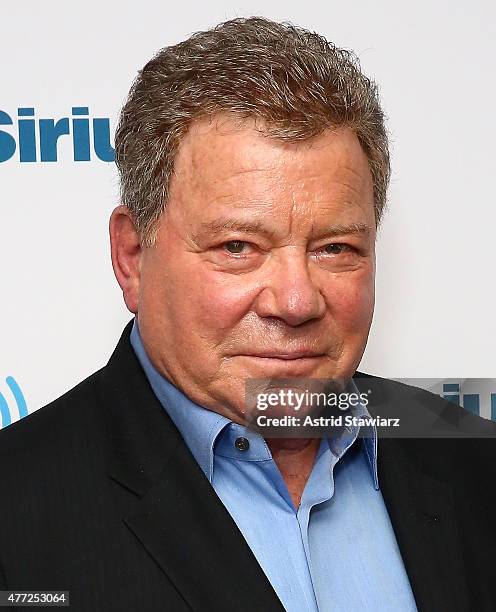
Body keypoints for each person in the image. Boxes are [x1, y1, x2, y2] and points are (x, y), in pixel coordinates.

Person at [0, 16, 495, 612]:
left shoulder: (469, 451)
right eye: (239, 248)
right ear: (132, 257)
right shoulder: (17, 510)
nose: (295, 302)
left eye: (335, 248)